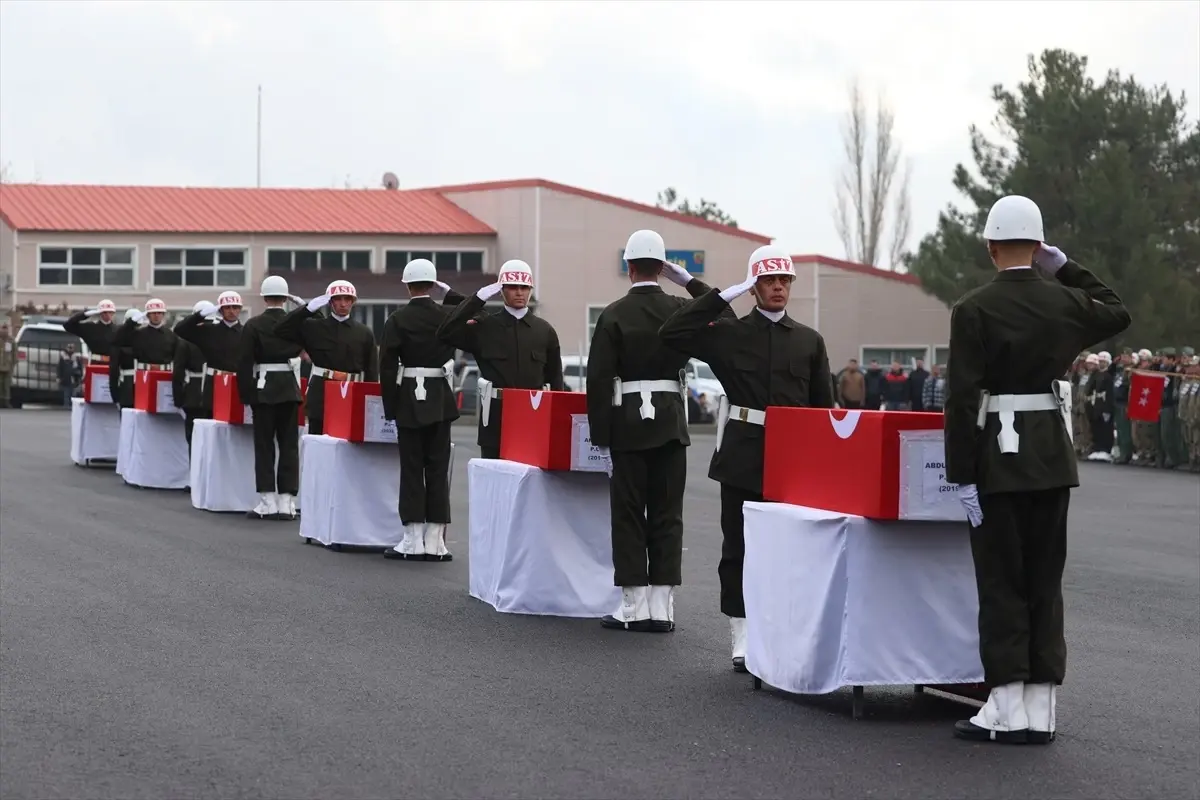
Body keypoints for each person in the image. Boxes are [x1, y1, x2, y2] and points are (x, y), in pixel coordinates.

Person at [944, 195, 1131, 745]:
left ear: (990, 245)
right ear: (1039, 245)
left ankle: (1004, 706)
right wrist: (1065, 266)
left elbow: (961, 399)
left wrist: (961, 473)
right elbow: (1116, 309)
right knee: (1045, 583)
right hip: (1051, 455)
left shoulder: (974, 308)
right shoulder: (1065, 303)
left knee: (1002, 580)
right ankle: (1042, 706)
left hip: (998, 459)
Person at [659, 245, 835, 670]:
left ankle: (785, 631)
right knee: (738, 546)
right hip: (743, 452)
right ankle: (742, 631)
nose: (778, 287)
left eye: (784, 280)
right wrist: (719, 295)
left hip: (793, 457)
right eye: (769, 281)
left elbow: (823, 409)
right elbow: (673, 333)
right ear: (754, 288)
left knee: (790, 550)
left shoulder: (810, 341)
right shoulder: (728, 332)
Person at [588, 230, 719, 634]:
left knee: (628, 514)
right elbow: (726, 316)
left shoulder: (612, 314)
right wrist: (690, 283)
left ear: (629, 267)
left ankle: (634, 604)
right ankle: (662, 607)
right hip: (669, 424)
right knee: (667, 514)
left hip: (626, 423)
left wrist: (601, 435)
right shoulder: (679, 308)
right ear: (663, 267)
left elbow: (598, 379)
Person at [378, 259, 465, 562]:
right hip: (440, 399)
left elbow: (387, 366)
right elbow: (474, 311)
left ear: (407, 285)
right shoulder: (447, 315)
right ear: (433, 283)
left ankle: (412, 538)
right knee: (438, 469)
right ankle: (435, 541)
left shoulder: (397, 319)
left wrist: (390, 406)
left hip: (409, 401)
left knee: (412, 468)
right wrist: (451, 293)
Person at [436, 261, 565, 459]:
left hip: (532, 418)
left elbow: (555, 382)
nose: (520, 293)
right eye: (513, 287)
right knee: (493, 482)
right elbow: (445, 333)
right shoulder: (486, 327)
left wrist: (556, 425)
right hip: (495, 419)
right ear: (501, 290)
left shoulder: (544, 331)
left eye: (524, 287)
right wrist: (477, 299)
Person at [237, 276, 306, 520]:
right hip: (289, 388)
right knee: (289, 446)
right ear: (286, 297)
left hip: (263, 390)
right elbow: (320, 325)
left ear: (264, 297)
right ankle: (287, 502)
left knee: (264, 446)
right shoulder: (295, 323)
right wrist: (302, 305)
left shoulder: (254, 325)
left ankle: (267, 501)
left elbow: (244, 362)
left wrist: (246, 395)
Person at [274, 279, 378, 436]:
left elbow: (371, 371)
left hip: (352, 393)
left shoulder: (364, 333)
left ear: (353, 302)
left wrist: (371, 404)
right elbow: (281, 329)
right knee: (318, 443)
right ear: (330, 302)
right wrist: (306, 310)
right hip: (321, 394)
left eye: (347, 299)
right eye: (338, 299)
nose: (343, 304)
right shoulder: (314, 327)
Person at [174, 292, 245, 418]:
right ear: (220, 310)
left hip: (237, 383)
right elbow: (180, 329)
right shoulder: (209, 330)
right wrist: (200, 315)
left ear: (240, 309)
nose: (231, 311)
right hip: (214, 384)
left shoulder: (247, 332)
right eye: (227, 307)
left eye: (235, 307)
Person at [173, 301, 211, 450]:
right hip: (207, 392)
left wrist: (178, 399)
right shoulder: (215, 337)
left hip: (193, 394)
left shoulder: (184, 342)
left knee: (193, 436)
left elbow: (178, 372)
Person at [113, 299, 179, 384]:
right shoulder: (138, 334)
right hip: (144, 374)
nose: (156, 316)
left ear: (163, 315)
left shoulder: (171, 335)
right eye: (153, 313)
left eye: (159, 313)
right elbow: (117, 338)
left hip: (165, 374)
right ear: (147, 315)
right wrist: (131, 322)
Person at [63, 299, 119, 369]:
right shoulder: (90, 328)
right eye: (105, 312)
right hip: (96, 365)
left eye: (110, 312)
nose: (108, 315)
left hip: (113, 366)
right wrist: (84, 314)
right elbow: (68, 325)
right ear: (100, 313)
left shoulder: (118, 329)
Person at [110, 309, 139, 409]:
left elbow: (114, 369)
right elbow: (114, 370)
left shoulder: (118, 341)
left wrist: (115, 394)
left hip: (131, 384)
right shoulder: (120, 341)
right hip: (129, 383)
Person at [0, 320, 13, 408]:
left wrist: (14, 362)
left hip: (8, 366)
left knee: (6, 385)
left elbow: (14, 352)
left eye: (6, 328)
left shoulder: (11, 340)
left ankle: (6, 401)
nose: (4, 330)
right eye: (3, 328)